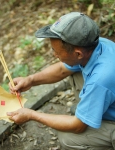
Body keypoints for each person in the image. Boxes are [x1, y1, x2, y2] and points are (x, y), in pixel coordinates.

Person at [7, 12, 115, 149]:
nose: (54, 54)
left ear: (77, 54)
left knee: (68, 138)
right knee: (74, 73)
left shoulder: (100, 80)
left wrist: (32, 115)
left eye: (57, 51)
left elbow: (77, 127)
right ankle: (88, 111)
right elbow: (62, 70)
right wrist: (30, 80)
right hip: (106, 92)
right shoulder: (96, 45)